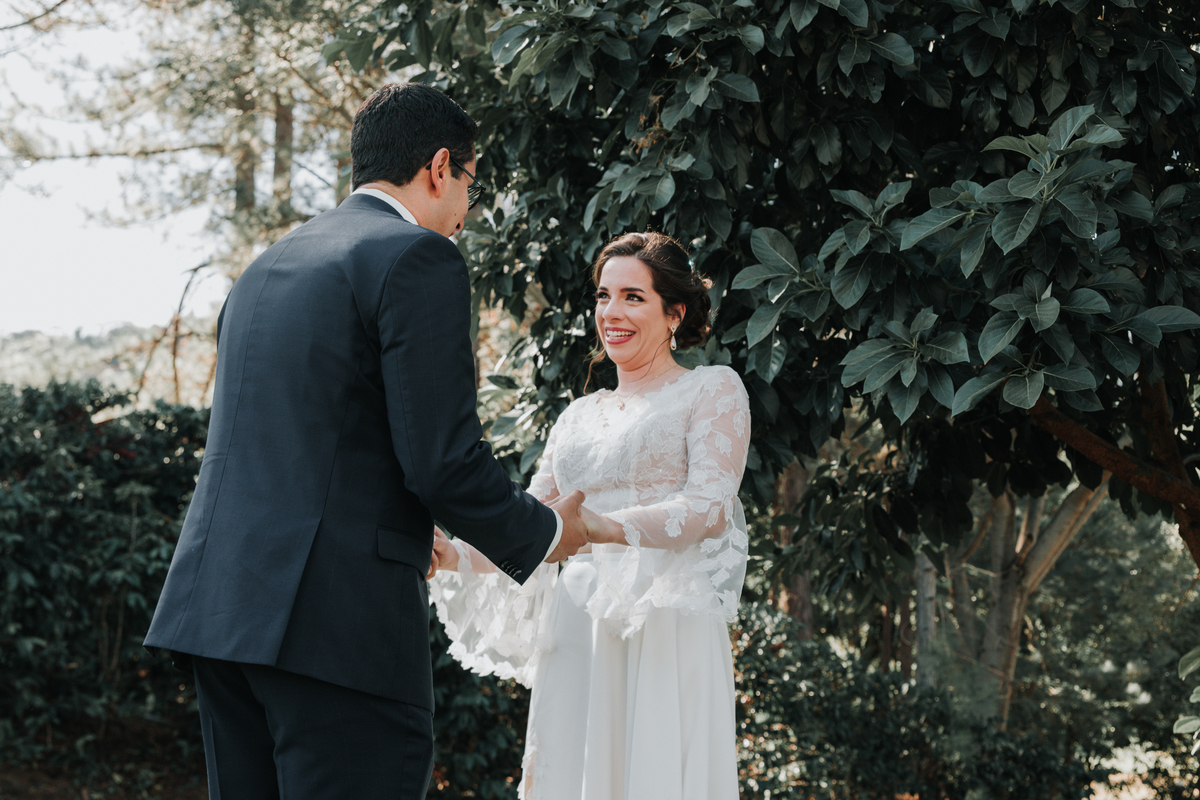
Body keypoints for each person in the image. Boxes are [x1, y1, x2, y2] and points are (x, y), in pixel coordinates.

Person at [143, 82, 589, 800]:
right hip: (337, 631)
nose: (467, 209)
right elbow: (442, 462)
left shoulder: (265, 268)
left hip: (221, 619)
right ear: (440, 167)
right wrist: (545, 533)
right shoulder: (416, 257)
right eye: (470, 182)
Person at [429, 231, 751, 800]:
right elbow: (529, 524)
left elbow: (709, 508)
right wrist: (454, 554)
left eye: (633, 296)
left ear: (674, 312)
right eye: (604, 295)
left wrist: (602, 528)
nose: (612, 312)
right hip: (578, 621)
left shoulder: (712, 389)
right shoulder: (578, 415)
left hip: (663, 625)